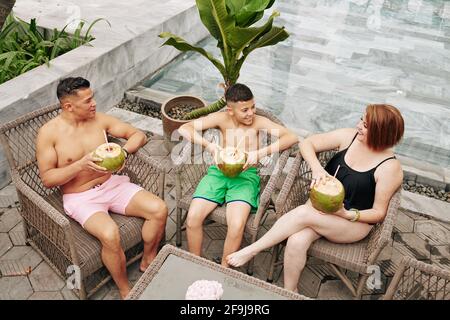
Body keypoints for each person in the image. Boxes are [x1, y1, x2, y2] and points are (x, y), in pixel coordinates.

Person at [227, 104, 404, 292]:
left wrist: (346, 214)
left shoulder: (389, 168)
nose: (359, 125)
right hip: (319, 210)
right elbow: (307, 143)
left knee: (303, 213)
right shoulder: (349, 136)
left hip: (351, 223)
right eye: (362, 119)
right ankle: (290, 293)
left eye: (366, 125)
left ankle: (253, 249)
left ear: (381, 133)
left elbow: (378, 213)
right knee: (296, 241)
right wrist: (317, 168)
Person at [36, 77, 168, 299]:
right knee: (110, 234)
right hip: (81, 198)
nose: (94, 103)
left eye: (93, 97)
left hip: (112, 184)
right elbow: (48, 179)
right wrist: (79, 165)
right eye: (87, 101)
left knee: (160, 209)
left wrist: (124, 152)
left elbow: (139, 135)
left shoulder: (98, 120)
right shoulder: (49, 134)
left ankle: (148, 260)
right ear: (68, 106)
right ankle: (125, 289)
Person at [178, 83, 298, 267]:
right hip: (217, 172)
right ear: (230, 110)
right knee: (193, 218)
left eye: (253, 107)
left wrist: (259, 153)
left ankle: (224, 270)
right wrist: (210, 145)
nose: (251, 113)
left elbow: (291, 137)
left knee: (236, 225)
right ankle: (196, 263)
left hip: (246, 176)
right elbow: (184, 128)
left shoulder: (259, 121)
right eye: (244, 110)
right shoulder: (220, 118)